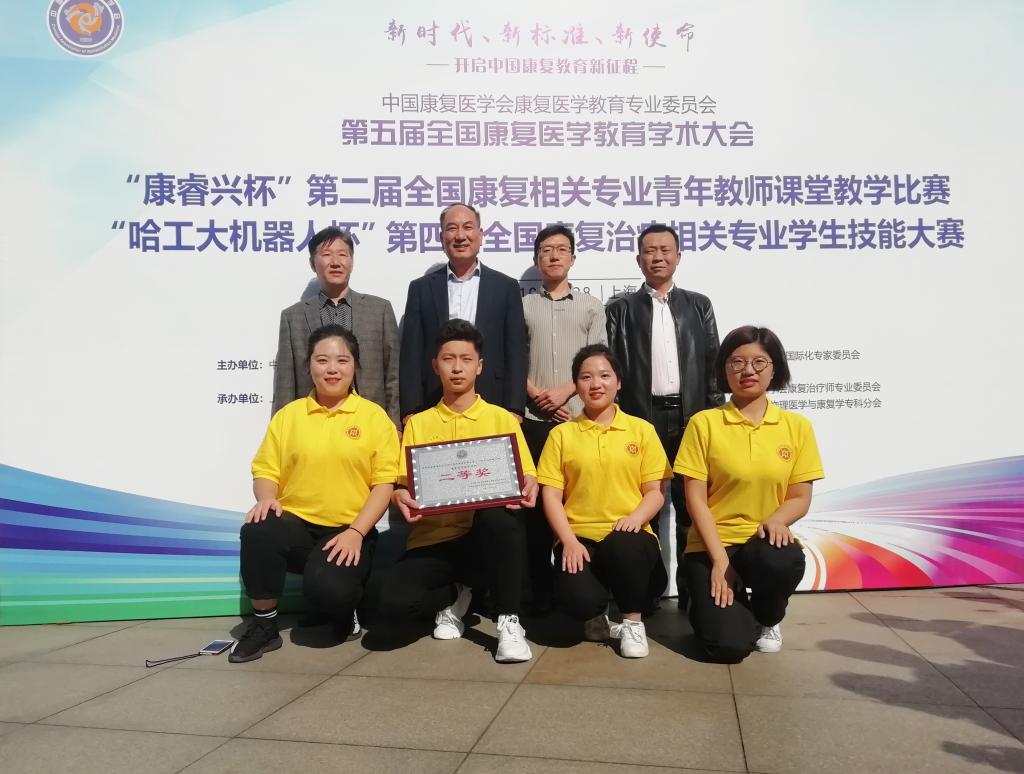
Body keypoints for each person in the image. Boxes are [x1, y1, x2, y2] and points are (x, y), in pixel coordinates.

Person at [231, 325, 398, 662]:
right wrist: (267, 498)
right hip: (296, 526)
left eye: (342, 360)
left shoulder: (374, 418)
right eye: (322, 360)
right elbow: (266, 471)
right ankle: (264, 627)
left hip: (348, 532)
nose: (332, 369)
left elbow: (384, 484)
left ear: (355, 366)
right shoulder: (289, 416)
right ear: (309, 365)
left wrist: (356, 532)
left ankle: (347, 607)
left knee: (330, 595)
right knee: (258, 528)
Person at [382, 319, 539, 663]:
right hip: (432, 540)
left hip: (483, 540)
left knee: (501, 518)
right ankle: (456, 593)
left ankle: (509, 621)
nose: (457, 368)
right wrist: (399, 496)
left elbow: (527, 476)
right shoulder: (418, 423)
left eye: (466, 359)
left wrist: (531, 485)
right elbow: (402, 486)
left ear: (479, 366)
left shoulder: (502, 419)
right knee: (392, 604)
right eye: (448, 359)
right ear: (435, 365)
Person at [674, 326, 824, 662]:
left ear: (774, 369)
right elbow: (695, 499)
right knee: (727, 647)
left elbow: (800, 497)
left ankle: (768, 617)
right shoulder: (703, 423)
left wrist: (776, 521)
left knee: (782, 560)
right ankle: (709, 610)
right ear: (724, 370)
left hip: (762, 542)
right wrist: (720, 560)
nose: (748, 371)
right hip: (712, 544)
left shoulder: (797, 427)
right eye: (737, 362)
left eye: (759, 362)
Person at [605, 223, 723, 610]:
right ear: (638, 258)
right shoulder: (621, 310)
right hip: (643, 419)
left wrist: (714, 417)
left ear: (677, 257)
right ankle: (647, 592)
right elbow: (613, 369)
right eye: (650, 251)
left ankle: (694, 593)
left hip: (692, 419)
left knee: (692, 507)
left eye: (665, 250)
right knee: (646, 505)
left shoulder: (699, 305)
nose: (657, 257)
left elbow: (713, 366)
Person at [537, 344, 670, 658]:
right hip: (581, 538)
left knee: (624, 544)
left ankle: (633, 623)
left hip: (630, 535)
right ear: (576, 385)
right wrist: (568, 541)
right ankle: (596, 614)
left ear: (618, 382)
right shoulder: (561, 435)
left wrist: (635, 519)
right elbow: (551, 496)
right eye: (586, 377)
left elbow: (655, 492)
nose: (595, 384)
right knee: (577, 600)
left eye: (604, 376)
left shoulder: (642, 430)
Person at [521, 224, 607, 613]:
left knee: (579, 503)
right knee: (537, 508)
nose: (553, 255)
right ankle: (540, 594)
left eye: (561, 249)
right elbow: (513, 356)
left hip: (577, 420)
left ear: (573, 257)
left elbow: (599, 361)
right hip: (533, 420)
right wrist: (535, 394)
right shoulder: (523, 306)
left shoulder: (591, 306)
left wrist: (566, 391)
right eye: (545, 250)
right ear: (537, 259)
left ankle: (583, 588)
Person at [399, 203, 527, 423]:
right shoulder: (421, 288)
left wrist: (515, 407)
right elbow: (411, 354)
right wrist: (410, 409)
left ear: (480, 234)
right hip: (433, 403)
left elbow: (516, 353)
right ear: (441, 237)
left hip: (493, 402)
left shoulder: (506, 287)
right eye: (452, 228)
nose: (460, 236)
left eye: (468, 227)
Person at [273, 226, 400, 426]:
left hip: (370, 423)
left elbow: (393, 374)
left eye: (342, 254)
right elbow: (285, 384)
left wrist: (395, 425)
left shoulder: (380, 310)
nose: (335, 262)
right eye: (326, 254)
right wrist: (283, 429)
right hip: (313, 424)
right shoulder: (293, 317)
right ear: (312, 263)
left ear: (352, 262)